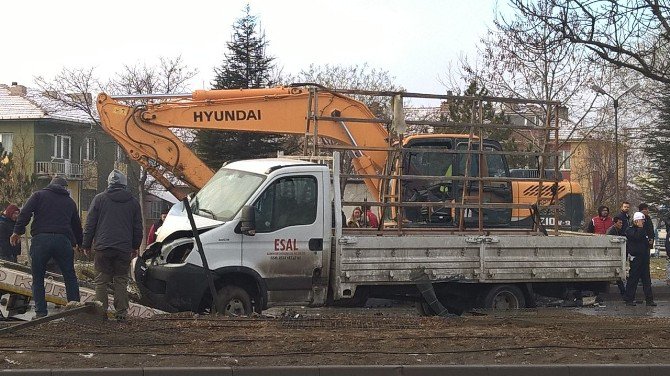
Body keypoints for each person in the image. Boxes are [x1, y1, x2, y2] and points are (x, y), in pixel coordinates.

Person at [10, 176, 82, 319]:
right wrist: (80, 244)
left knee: (38, 277)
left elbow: (25, 213)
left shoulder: (38, 195)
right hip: (63, 240)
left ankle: (41, 312)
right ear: (65, 188)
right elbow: (76, 225)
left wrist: (17, 231)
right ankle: (74, 310)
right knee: (69, 276)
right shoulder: (70, 202)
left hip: (41, 240)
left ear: (51, 185)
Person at [82, 170, 142, 322]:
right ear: (124, 184)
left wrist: (86, 244)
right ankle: (121, 313)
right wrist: (135, 246)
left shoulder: (99, 199)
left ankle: (101, 313)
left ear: (109, 184)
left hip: (103, 247)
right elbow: (137, 227)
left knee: (101, 281)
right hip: (123, 249)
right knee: (121, 280)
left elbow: (90, 224)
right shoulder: (133, 202)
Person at [623, 211, 656, 306]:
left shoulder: (643, 230)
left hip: (644, 258)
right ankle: (629, 299)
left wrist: (649, 244)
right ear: (636, 221)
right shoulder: (630, 230)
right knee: (633, 279)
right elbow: (636, 237)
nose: (643, 222)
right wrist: (641, 229)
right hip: (636, 258)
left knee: (647, 280)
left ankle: (649, 300)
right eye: (642, 220)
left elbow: (645, 243)